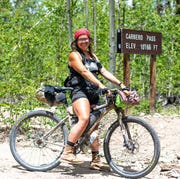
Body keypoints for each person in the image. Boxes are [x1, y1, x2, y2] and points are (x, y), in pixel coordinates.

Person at [61, 28, 129, 170]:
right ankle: (67, 151)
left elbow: (103, 71)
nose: (84, 41)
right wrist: (101, 85)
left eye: (86, 39)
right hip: (80, 91)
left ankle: (95, 159)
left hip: (93, 93)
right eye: (81, 39)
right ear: (76, 42)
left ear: (89, 40)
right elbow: (84, 72)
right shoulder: (74, 55)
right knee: (85, 119)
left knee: (94, 126)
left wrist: (121, 84)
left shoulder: (93, 56)